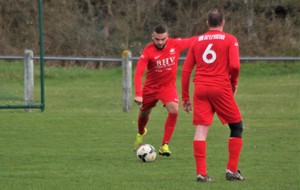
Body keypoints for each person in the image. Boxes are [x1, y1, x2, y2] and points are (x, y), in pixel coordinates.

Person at [181, 9, 245, 182]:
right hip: (220, 87)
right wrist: (234, 83)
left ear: (207, 24)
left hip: (200, 88)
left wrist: (185, 97)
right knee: (237, 126)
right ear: (223, 23)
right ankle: (231, 171)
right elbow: (235, 66)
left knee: (201, 130)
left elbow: (186, 70)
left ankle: (201, 173)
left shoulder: (196, 41)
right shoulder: (230, 39)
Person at [133, 24, 197, 156]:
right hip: (150, 88)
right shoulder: (147, 51)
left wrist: (212, 36)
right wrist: (138, 94)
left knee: (174, 109)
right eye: (157, 39)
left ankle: (165, 145)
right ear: (153, 37)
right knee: (144, 113)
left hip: (167, 87)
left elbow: (194, 40)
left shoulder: (175, 44)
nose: (160, 42)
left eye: (163, 39)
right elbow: (138, 73)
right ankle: (140, 133)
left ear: (167, 36)